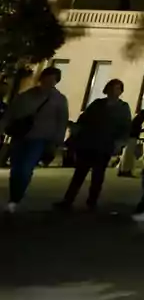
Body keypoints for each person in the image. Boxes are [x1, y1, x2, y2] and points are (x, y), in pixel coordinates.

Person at [56, 79, 132, 212]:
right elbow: (84, 119)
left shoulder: (123, 107)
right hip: (89, 143)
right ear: (107, 89)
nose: (115, 91)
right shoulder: (97, 104)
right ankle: (68, 199)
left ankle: (92, 201)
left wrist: (119, 143)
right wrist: (76, 132)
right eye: (113, 88)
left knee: (98, 175)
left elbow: (125, 127)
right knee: (80, 173)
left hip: (105, 145)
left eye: (118, 88)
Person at [1, 67, 69, 213]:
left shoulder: (59, 100)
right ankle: (14, 195)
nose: (49, 82)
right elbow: (11, 113)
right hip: (21, 136)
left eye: (53, 79)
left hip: (40, 137)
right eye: (47, 78)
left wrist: (57, 141)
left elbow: (62, 121)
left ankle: (16, 198)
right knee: (16, 168)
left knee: (26, 168)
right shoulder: (26, 95)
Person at [118, 109, 144, 177]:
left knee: (126, 155)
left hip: (130, 138)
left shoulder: (136, 120)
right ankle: (126, 170)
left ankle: (122, 170)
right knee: (129, 155)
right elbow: (135, 130)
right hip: (132, 139)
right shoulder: (137, 121)